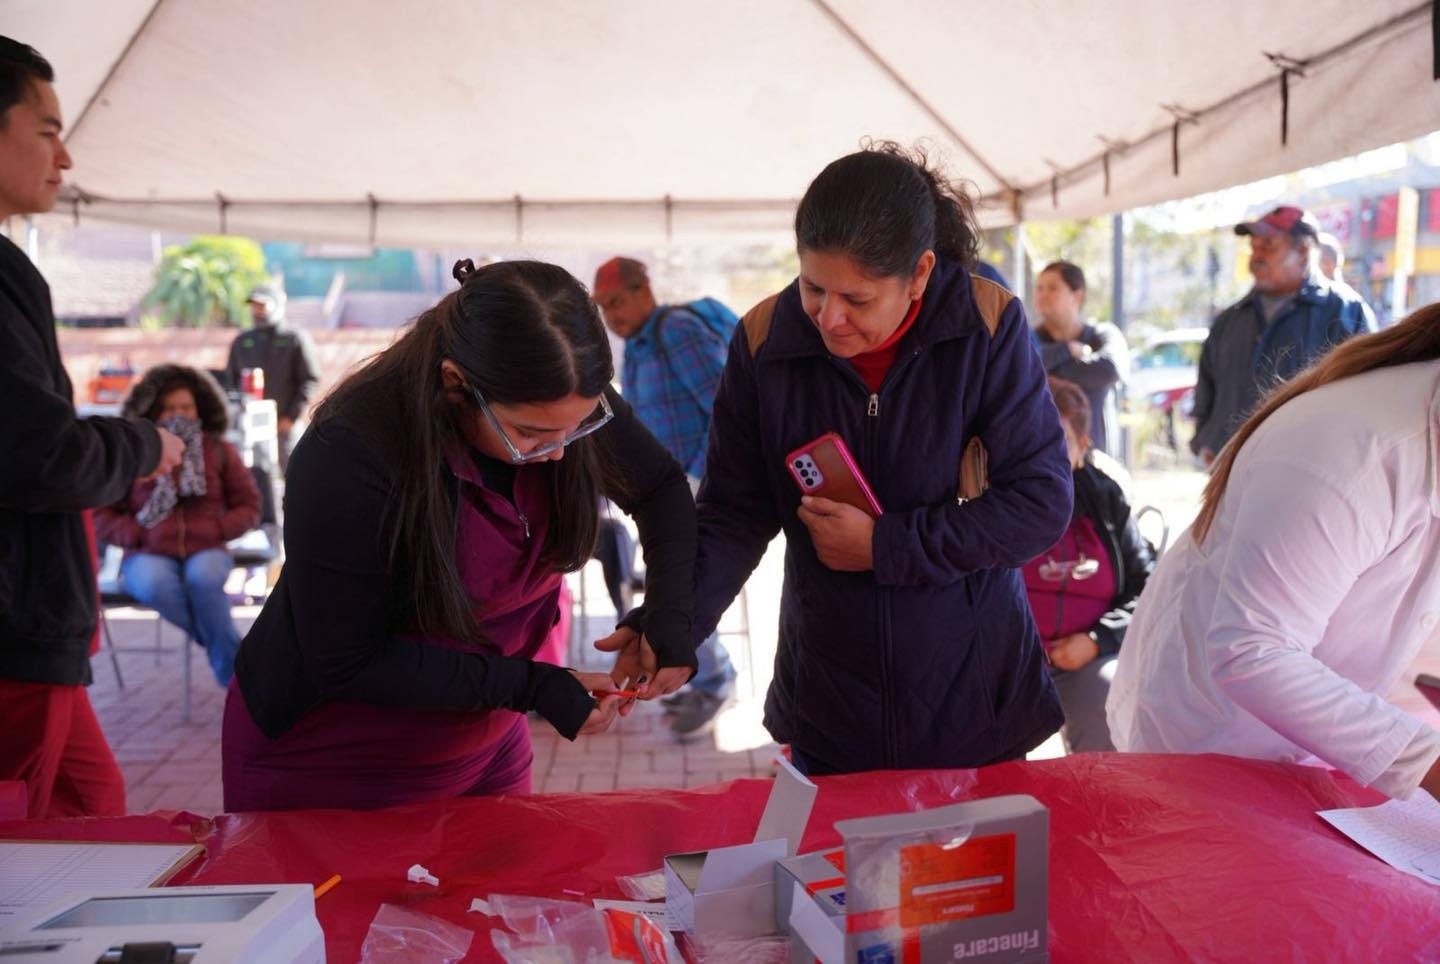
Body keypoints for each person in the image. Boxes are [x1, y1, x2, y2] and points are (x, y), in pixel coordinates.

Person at [611, 143, 1072, 775]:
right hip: (831, 691)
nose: (830, 319)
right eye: (812, 288)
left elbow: (1039, 504)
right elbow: (733, 511)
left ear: (918, 274)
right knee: (838, 872)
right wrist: (672, 623)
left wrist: (885, 545)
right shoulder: (764, 340)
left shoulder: (986, 326)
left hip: (974, 689)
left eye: (857, 300)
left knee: (965, 873)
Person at [222, 259, 697, 811]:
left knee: (502, 898)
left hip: (486, 743)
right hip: (336, 763)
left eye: (582, 426)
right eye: (531, 434)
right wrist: (533, 685)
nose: (563, 451)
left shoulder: (558, 397)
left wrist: (668, 614)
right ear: (456, 383)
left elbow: (661, 488)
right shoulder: (348, 452)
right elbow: (348, 661)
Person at [1108, 304, 1440, 801]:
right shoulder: (1352, 445)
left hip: (1341, 741)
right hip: (1219, 745)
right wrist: (1424, 763)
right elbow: (1251, 649)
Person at [0, 36, 183, 818]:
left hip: (36, 631)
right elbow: (43, 454)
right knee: (38, 848)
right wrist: (147, 445)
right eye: (45, 130)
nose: (66, 158)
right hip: (14, 628)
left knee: (93, 811)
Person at [592, 256, 737, 740]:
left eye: (617, 302)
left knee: (681, 589)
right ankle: (704, 681)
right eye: (603, 308)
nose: (612, 316)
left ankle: (716, 683)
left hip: (700, 490)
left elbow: (728, 408)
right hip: (662, 497)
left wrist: (697, 479)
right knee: (673, 587)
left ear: (643, 290)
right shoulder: (637, 348)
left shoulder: (675, 331)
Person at [95, 366, 260, 687]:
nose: (178, 414)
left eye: (186, 406)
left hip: (207, 546)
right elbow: (102, 513)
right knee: (155, 584)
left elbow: (250, 506)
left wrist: (218, 529)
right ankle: (235, 663)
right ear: (154, 411)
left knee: (204, 579)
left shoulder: (219, 451)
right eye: (170, 407)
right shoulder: (135, 455)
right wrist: (137, 535)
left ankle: (234, 681)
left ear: (200, 408)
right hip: (147, 549)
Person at [1022, 378, 1153, 752]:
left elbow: (1147, 589)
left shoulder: (1106, 500)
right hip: (1008, 660)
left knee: (1108, 701)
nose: (1040, 454)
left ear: (1082, 447)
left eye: (1056, 441)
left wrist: (1098, 640)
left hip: (1088, 657)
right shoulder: (989, 497)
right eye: (1030, 438)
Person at [1190, 205, 1375, 466]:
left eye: (1268, 245)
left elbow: (1364, 399)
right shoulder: (1229, 319)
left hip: (1306, 473)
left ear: (1302, 252)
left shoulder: (1345, 311)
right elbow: (1207, 388)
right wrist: (1204, 439)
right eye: (1253, 246)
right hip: (1228, 470)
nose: (1256, 255)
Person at [1033, 261, 1128, 457]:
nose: (1042, 295)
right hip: (1043, 463)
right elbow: (1023, 368)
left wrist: (1046, 370)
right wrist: (1067, 350)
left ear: (1077, 296)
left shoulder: (1103, 335)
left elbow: (1109, 370)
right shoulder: (1027, 338)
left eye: (1052, 288)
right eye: (1039, 288)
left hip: (1097, 463)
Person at [225, 282, 319, 473]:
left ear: (276, 304)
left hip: (284, 427)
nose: (257, 311)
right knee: (255, 477)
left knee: (295, 473)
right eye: (253, 306)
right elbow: (230, 381)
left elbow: (310, 380)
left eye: (262, 305)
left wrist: (290, 417)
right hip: (249, 427)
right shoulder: (242, 341)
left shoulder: (294, 338)